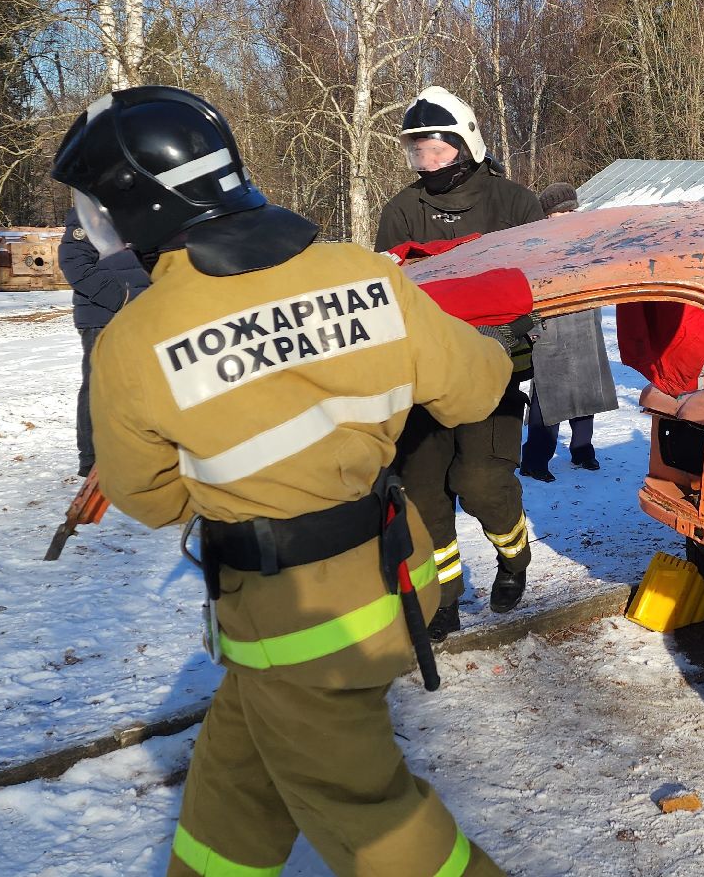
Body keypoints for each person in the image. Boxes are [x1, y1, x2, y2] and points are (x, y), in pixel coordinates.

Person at [52, 86, 524, 877]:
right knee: (236, 784)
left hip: (295, 623)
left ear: (141, 207)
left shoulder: (135, 341)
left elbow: (149, 497)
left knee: (373, 822)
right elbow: (477, 389)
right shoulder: (362, 274)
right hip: (394, 577)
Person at [376, 86, 544, 637]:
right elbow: (388, 295)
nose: (427, 162)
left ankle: (513, 558)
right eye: (417, 152)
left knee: (479, 481)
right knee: (422, 492)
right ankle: (443, 597)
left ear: (466, 144)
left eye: (437, 150)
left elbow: (541, 284)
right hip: (423, 378)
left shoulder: (514, 203)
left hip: (493, 372)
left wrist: (507, 330)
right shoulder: (402, 211)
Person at [520, 182, 617, 482]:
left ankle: (582, 450)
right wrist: (532, 326)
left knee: (586, 389)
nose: (567, 217)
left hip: (584, 322)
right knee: (548, 394)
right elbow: (527, 288)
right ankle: (535, 460)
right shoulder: (533, 245)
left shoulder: (588, 239)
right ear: (548, 216)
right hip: (551, 325)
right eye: (560, 213)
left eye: (570, 211)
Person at [59, 206, 150, 476]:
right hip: (103, 316)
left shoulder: (142, 210)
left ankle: (137, 451)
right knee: (99, 386)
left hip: (145, 313)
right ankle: (92, 458)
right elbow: (74, 264)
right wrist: (122, 298)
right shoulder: (89, 213)